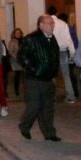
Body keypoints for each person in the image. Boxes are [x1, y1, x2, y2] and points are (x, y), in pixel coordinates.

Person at [17, 14, 61, 142]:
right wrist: (35, 70)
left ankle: (49, 133)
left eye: (52, 23)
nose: (52, 25)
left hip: (49, 78)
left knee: (48, 107)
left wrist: (54, 72)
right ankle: (24, 126)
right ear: (41, 25)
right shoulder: (31, 39)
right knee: (34, 106)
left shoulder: (52, 39)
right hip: (34, 79)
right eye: (49, 23)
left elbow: (54, 57)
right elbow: (22, 57)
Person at [47, 6, 76, 103]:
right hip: (63, 52)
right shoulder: (63, 24)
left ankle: (52, 97)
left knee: (52, 75)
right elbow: (69, 39)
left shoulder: (47, 24)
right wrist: (72, 53)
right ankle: (71, 96)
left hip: (51, 52)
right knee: (66, 75)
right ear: (57, 12)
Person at [58, 12, 79, 99]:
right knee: (71, 73)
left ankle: (72, 93)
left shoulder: (65, 28)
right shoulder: (70, 28)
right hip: (72, 53)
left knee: (68, 73)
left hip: (68, 52)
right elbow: (76, 42)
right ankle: (75, 92)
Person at [8, 28, 24, 96]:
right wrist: (17, 57)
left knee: (24, 77)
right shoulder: (12, 42)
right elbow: (11, 52)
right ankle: (16, 90)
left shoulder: (23, 41)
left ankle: (25, 90)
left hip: (23, 60)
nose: (18, 34)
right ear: (14, 34)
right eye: (17, 33)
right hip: (16, 61)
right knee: (17, 76)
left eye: (19, 33)